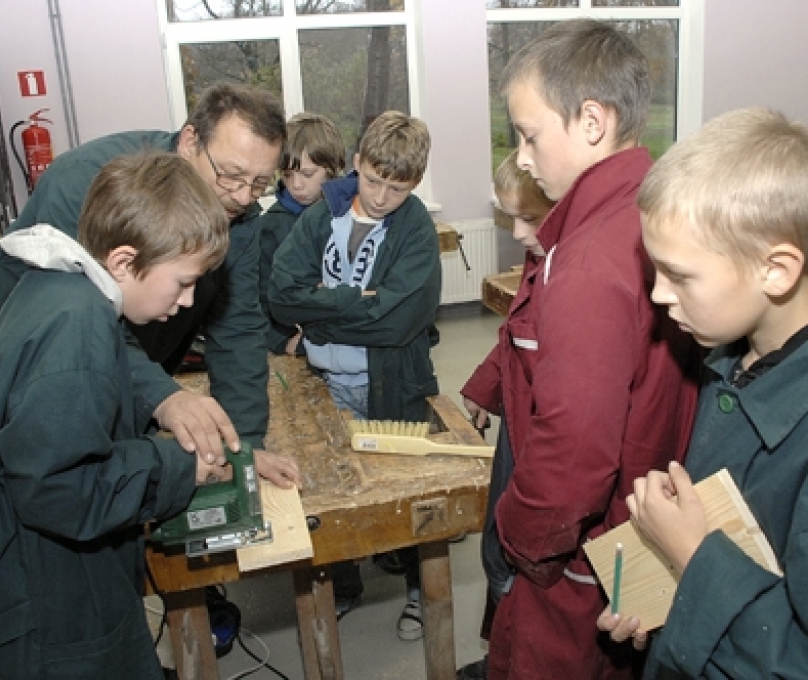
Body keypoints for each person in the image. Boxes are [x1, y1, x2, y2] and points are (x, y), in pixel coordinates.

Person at [0, 152, 301, 678]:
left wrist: (210, 449)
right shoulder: (76, 333)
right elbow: (61, 489)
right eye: (183, 281)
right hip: (48, 619)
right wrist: (179, 468)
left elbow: (73, 430)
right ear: (124, 261)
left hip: (37, 579)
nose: (188, 300)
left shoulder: (57, 290)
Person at [598, 107, 808, 678]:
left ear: (776, 271)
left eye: (678, 275)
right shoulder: (735, 356)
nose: (657, 294)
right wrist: (669, 597)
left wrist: (694, 559)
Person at [0, 82, 300, 506]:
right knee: (1, 510)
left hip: (103, 366)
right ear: (190, 140)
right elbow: (83, 324)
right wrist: (163, 395)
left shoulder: (239, 213)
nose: (242, 197)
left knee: (106, 491)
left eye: (260, 183)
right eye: (231, 176)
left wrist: (243, 445)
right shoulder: (87, 185)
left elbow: (238, 328)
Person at [477, 19, 701, 680]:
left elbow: (574, 452)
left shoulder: (585, 261)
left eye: (529, 133)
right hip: (636, 526)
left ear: (592, 121)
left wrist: (517, 537)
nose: (521, 155)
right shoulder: (650, 210)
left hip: (578, 561)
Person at [269, 110, 440, 641]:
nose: (383, 196)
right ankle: (343, 585)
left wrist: (319, 309)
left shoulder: (416, 228)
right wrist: (354, 299)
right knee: (329, 491)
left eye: (399, 186)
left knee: (406, 489)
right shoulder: (323, 212)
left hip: (391, 381)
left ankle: (418, 592)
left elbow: (399, 319)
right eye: (373, 180)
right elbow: (281, 292)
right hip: (326, 382)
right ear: (358, 163)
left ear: (415, 183)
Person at [456, 149, 554, 680]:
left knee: (519, 557)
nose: (517, 233)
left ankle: (519, 658)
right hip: (515, 420)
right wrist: (483, 387)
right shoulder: (542, 261)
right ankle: (504, 654)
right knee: (496, 549)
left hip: (542, 434)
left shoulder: (574, 271)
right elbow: (514, 337)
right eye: (508, 218)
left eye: (529, 219)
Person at [257, 112, 347, 356]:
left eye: (308, 174)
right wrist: (281, 341)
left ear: (333, 168)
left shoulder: (354, 214)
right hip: (296, 345)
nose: (296, 185)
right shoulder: (271, 227)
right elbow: (257, 299)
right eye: (287, 175)